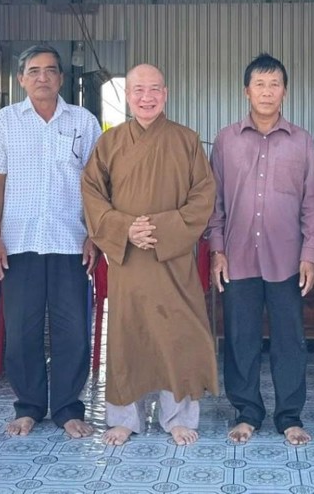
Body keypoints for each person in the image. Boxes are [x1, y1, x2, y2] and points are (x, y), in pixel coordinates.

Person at [81, 64, 218, 446]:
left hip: (172, 258)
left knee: (178, 334)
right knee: (129, 335)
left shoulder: (186, 140)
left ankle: (178, 417)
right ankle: (125, 418)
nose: (147, 97)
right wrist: (125, 229)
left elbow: (203, 196)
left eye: (154, 89)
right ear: (128, 96)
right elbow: (92, 193)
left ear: (166, 93)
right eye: (138, 90)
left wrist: (158, 229)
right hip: (128, 259)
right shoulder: (109, 142)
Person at [0, 45, 101, 439]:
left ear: (61, 78)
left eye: (50, 70)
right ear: (21, 79)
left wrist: (94, 234)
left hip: (70, 240)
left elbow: (96, 184)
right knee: (22, 330)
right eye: (34, 71)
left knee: (73, 331)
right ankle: (29, 405)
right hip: (19, 242)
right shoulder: (4, 122)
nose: (42, 77)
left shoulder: (84, 122)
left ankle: (67, 408)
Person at [207, 53, 314, 446]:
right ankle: (247, 413)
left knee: (290, 340)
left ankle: (289, 416)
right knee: (240, 339)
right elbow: (214, 202)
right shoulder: (226, 140)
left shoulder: (302, 141)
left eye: (275, 84)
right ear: (247, 91)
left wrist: (309, 255)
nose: (267, 91)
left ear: (285, 91)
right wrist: (217, 249)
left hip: (287, 259)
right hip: (237, 256)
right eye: (260, 84)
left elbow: (313, 203)